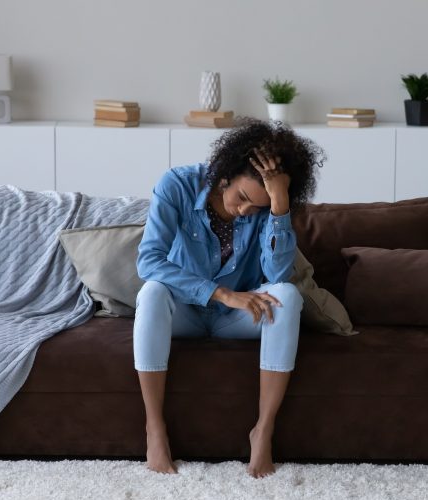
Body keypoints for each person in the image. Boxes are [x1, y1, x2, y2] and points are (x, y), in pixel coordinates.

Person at [133, 118, 325, 478]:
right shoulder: (177, 184)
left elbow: (277, 275)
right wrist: (221, 293)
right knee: (152, 291)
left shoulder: (269, 207)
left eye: (258, 208)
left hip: (237, 320)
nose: (245, 211)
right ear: (224, 175)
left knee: (287, 295)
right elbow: (149, 261)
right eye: (242, 198)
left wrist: (279, 206)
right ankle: (154, 429)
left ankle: (263, 430)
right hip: (186, 313)